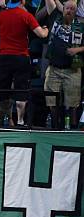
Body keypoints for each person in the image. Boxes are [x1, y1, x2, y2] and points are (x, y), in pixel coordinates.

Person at [0, 0, 48, 127]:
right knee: (20, 90)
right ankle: (20, 121)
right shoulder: (26, 16)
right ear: (22, 2)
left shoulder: (2, 15)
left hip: (4, 57)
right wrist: (46, 29)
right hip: (21, 57)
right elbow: (41, 34)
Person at [43, 0, 84, 129]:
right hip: (53, 69)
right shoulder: (55, 17)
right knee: (51, 101)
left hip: (72, 70)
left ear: (75, 11)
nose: (69, 11)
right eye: (67, 8)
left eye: (72, 9)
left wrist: (77, 50)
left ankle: (72, 128)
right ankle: (55, 126)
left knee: (73, 104)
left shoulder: (81, 25)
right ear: (63, 8)